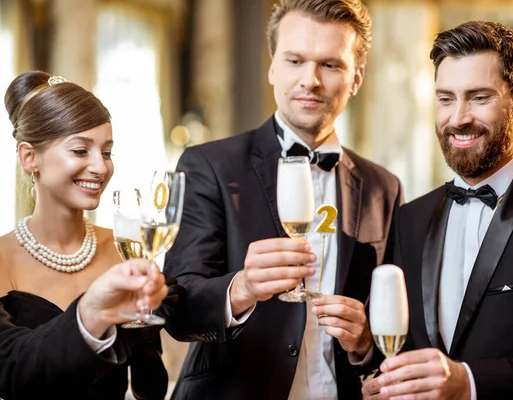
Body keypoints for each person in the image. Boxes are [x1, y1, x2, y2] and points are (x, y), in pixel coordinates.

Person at [163, 1, 402, 399]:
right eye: (295, 60)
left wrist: (364, 343)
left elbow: (393, 323)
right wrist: (241, 288)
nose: (310, 80)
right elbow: (178, 309)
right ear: (273, 66)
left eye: (331, 64)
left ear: (356, 78)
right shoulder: (208, 165)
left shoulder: (383, 187)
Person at [362, 21, 513, 399]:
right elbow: (403, 349)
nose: (458, 118)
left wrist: (469, 383)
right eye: (446, 99)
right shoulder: (409, 220)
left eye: (479, 97)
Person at [0, 71, 173, 400]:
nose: (100, 167)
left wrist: (148, 325)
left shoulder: (125, 250)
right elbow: (2, 375)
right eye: (80, 151)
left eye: (106, 153)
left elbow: (151, 388)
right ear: (29, 157)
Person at [0, 220, 167, 400]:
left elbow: (8, 362)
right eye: (79, 159)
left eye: (109, 159)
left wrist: (96, 316)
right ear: (30, 161)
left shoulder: (124, 247)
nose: (100, 168)